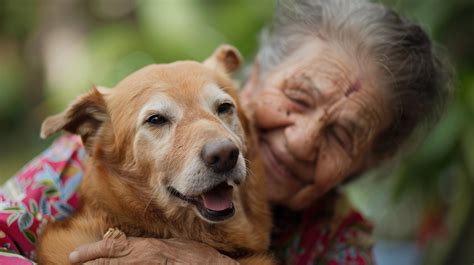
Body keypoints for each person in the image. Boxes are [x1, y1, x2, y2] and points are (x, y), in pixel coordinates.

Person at [0, 0, 451, 264]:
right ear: (251, 81)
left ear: (368, 162)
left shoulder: (342, 242)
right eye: (297, 98)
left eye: (343, 135)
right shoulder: (80, 163)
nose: (301, 140)